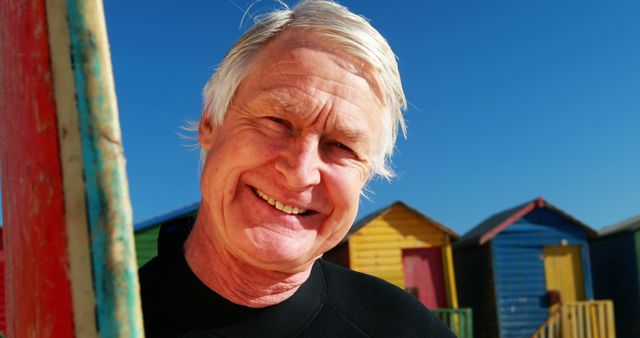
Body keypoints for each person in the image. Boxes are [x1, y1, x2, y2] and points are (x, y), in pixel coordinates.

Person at [139, 1, 456, 337]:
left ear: (367, 175)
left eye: (342, 146)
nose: (300, 172)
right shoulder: (97, 321)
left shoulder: (406, 330)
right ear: (210, 122)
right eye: (277, 121)